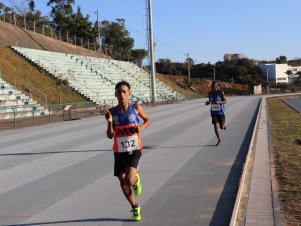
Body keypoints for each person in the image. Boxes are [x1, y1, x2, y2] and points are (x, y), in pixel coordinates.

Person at [105, 80, 151, 221]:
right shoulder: (111, 112)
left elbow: (148, 120)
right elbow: (109, 136)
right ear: (115, 94)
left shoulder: (135, 107)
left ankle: (136, 180)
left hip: (134, 149)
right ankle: (135, 207)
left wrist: (141, 128)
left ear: (129, 94)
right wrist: (109, 122)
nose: (121, 94)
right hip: (119, 151)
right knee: (123, 182)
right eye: (119, 92)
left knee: (129, 181)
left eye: (124, 92)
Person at [205, 80, 227, 146]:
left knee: (221, 127)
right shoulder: (210, 93)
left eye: (214, 86)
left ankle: (224, 126)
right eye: (212, 86)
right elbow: (209, 101)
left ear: (217, 86)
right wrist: (207, 103)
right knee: (215, 126)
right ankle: (219, 140)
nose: (212, 87)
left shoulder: (221, 93)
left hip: (220, 112)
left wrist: (219, 102)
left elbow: (225, 101)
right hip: (213, 112)